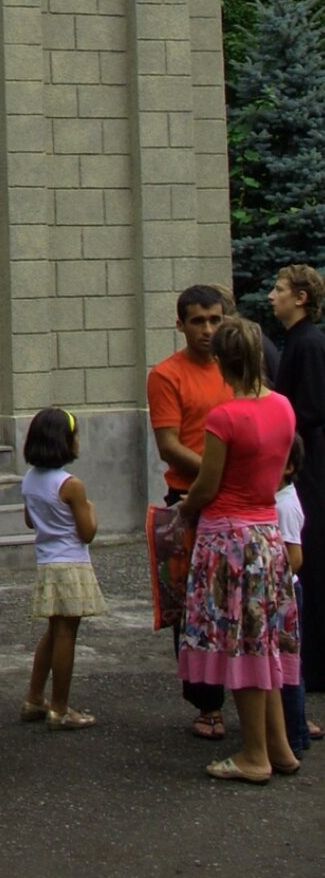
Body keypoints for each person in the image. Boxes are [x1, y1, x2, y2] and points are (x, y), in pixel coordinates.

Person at [177, 315, 300, 782]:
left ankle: (253, 756)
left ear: (221, 361)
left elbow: (208, 485)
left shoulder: (224, 416)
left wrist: (186, 508)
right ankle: (279, 748)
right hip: (268, 538)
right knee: (264, 641)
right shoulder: (284, 407)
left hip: (229, 541)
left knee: (245, 647)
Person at [146, 282, 234, 741]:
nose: (207, 330)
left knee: (243, 599)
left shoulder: (235, 369)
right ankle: (206, 704)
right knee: (195, 606)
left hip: (238, 500)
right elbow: (169, 444)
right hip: (190, 501)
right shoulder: (166, 375)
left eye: (215, 320)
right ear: (180, 325)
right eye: (197, 321)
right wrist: (221, 471)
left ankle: (267, 700)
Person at [18, 406, 104, 729]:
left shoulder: (29, 480)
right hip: (72, 564)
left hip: (47, 562)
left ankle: (34, 697)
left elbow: (30, 520)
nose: (78, 441)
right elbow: (87, 532)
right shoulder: (72, 485)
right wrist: (91, 510)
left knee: (53, 632)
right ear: (63, 442)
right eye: (75, 435)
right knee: (67, 632)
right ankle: (61, 707)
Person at [270, 264, 325, 698]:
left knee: (312, 556)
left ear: (301, 297)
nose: (272, 296)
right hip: (303, 463)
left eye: (280, 289)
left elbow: (307, 408)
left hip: (308, 467)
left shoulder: (307, 344)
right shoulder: (298, 342)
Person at [276, 434, 309, 759]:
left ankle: (295, 733)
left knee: (288, 668)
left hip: (285, 594)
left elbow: (294, 556)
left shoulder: (285, 504)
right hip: (281, 591)